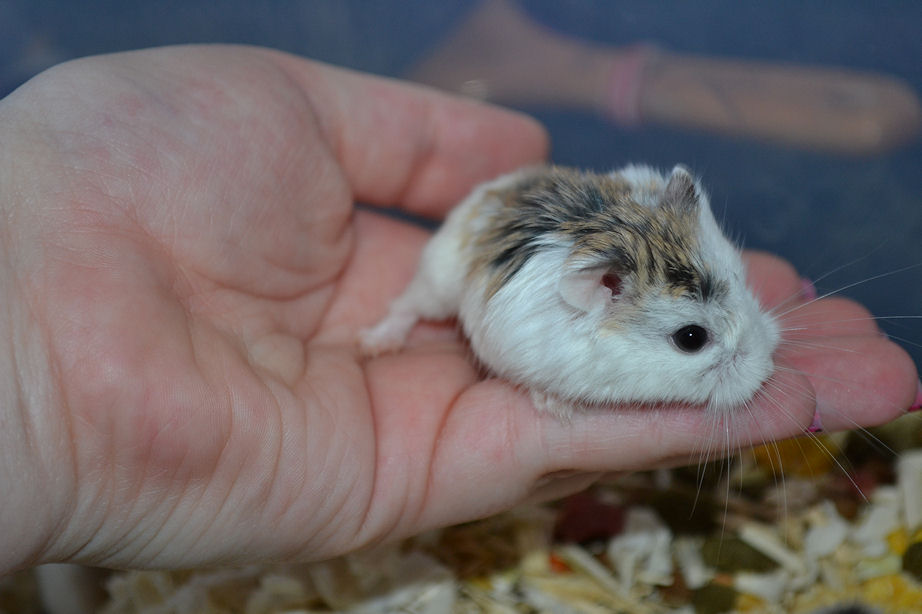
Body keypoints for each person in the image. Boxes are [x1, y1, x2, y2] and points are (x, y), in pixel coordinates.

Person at [0, 45, 917, 576]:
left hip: (566, 208)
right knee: (441, 280)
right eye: (693, 340)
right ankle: (404, 312)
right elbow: (521, 344)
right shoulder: (543, 320)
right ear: (596, 299)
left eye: (731, 318)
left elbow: (657, 199)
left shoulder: (656, 211)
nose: (750, 354)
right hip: (486, 236)